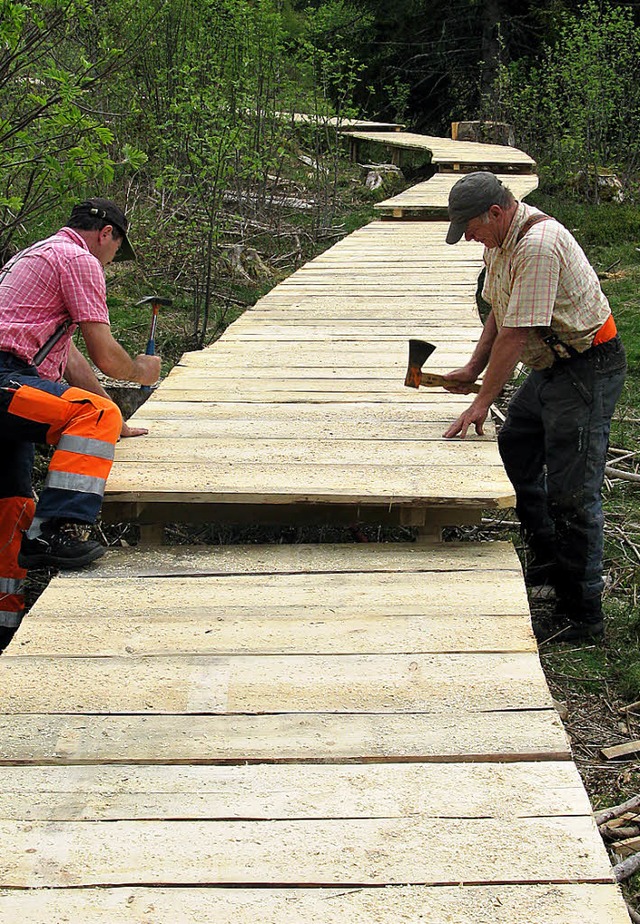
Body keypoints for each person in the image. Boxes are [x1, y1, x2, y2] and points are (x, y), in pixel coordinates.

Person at [441, 172, 626, 643]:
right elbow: (500, 314)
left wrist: (484, 399)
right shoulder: (499, 242)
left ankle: (584, 614)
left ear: (497, 213)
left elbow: (517, 333)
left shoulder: (538, 245)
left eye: (470, 227)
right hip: (552, 367)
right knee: (517, 451)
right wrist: (471, 367)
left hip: (587, 366)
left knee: (573, 491)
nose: (468, 237)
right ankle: (547, 564)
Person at [0, 197, 161, 649]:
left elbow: (69, 360)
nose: (112, 260)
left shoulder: (35, 257)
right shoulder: (78, 258)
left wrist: (116, 417)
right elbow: (106, 356)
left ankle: (3, 624)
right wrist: (139, 372)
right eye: (116, 249)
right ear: (106, 233)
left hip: (13, 380)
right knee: (92, 414)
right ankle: (60, 530)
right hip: (5, 378)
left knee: (11, 507)